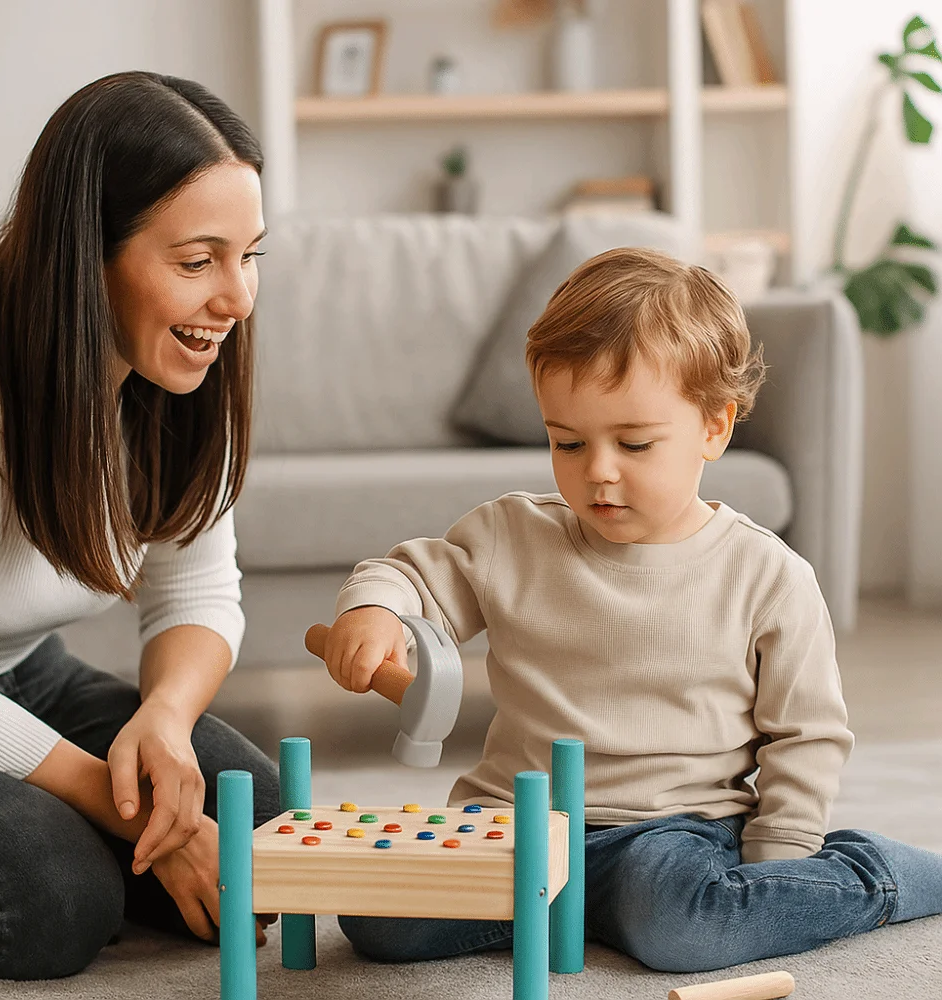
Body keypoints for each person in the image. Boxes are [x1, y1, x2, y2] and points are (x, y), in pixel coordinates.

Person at [320, 247, 942, 973]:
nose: (598, 471)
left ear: (715, 427)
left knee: (682, 927)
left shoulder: (766, 574)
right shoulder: (511, 535)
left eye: (635, 443)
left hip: (674, 832)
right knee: (377, 919)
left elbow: (805, 736)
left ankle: (886, 875)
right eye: (568, 442)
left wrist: (777, 867)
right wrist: (375, 612)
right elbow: (409, 575)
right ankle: (583, 908)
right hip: (515, 821)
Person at [0, 71, 280, 981]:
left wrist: (166, 723)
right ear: (85, 254)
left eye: (250, 255)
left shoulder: (176, 371)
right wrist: (127, 811)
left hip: (18, 675)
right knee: (50, 899)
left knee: (264, 820)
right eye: (198, 261)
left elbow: (199, 590)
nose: (237, 299)